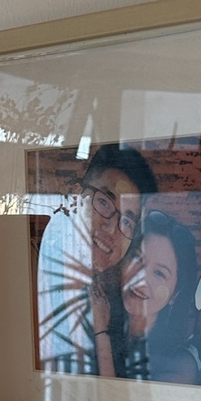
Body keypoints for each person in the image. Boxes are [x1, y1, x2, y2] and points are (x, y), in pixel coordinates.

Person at [36, 144, 157, 373]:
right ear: (76, 198)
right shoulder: (34, 272)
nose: (112, 228)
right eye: (104, 203)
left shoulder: (115, 305)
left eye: (127, 221)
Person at [91, 206, 201, 385]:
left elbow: (117, 400)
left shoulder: (181, 366)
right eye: (138, 259)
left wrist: (101, 333)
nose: (141, 277)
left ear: (175, 294)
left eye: (159, 273)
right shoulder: (97, 317)